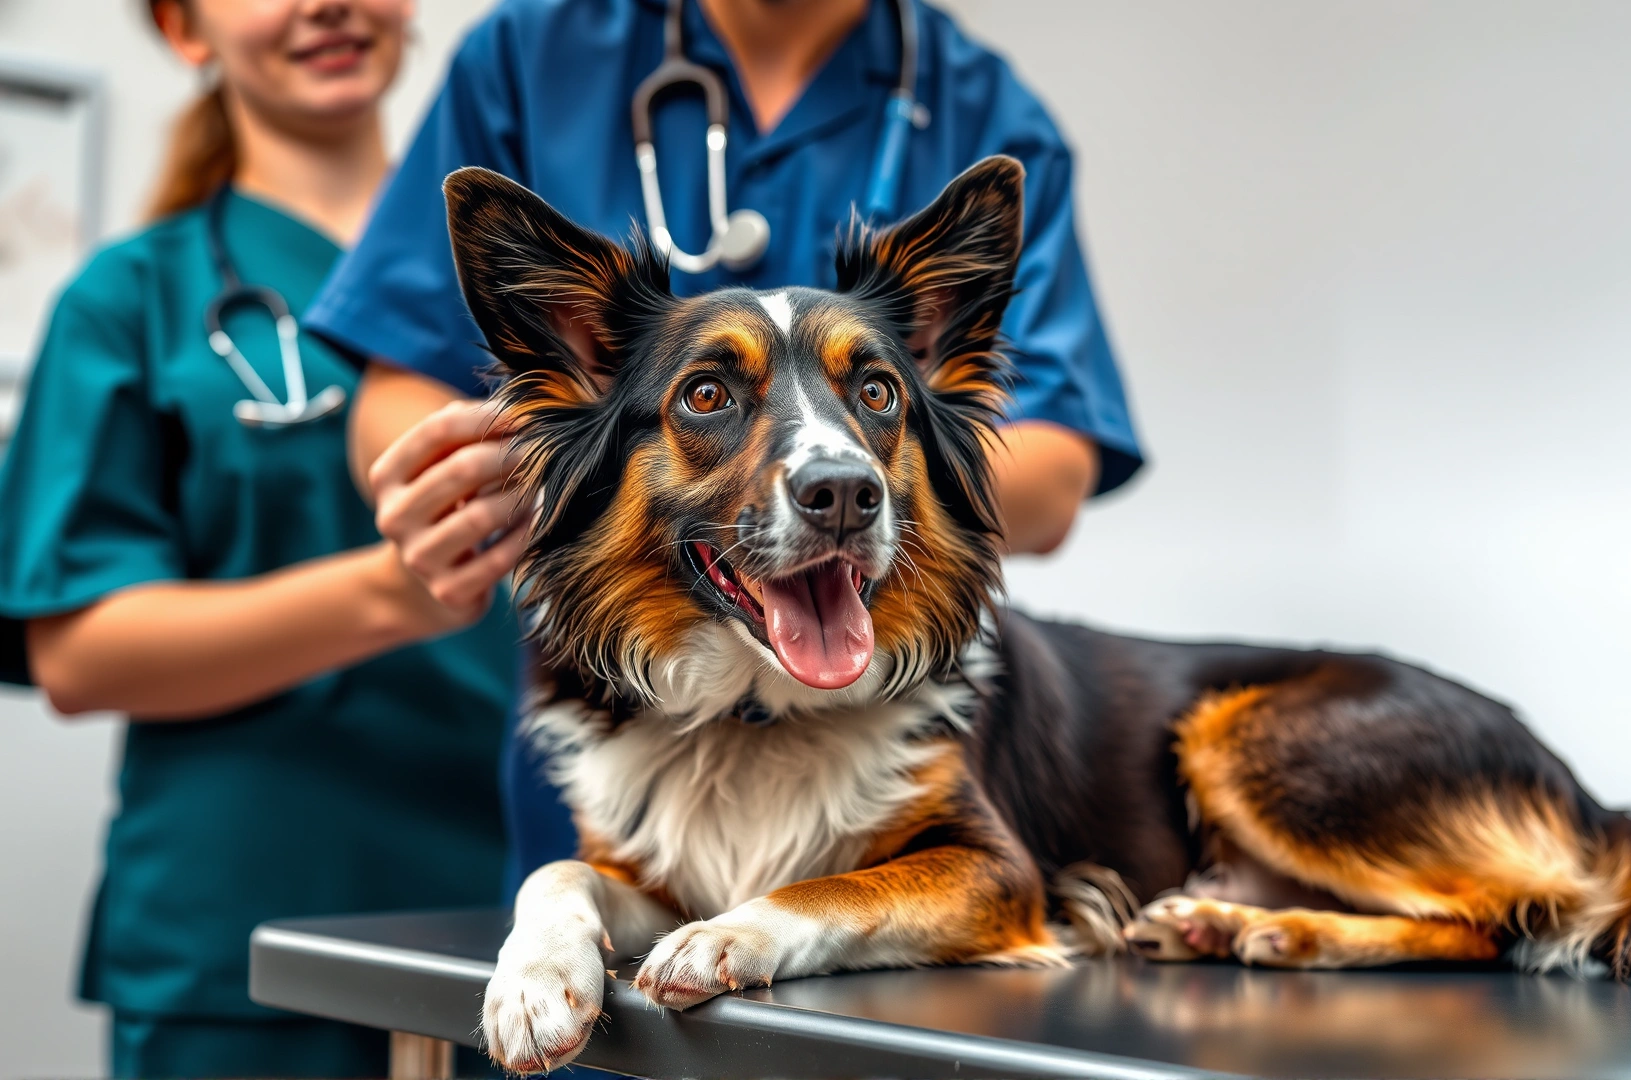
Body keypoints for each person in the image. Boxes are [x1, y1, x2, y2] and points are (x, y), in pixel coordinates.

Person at [309, 0, 1145, 889]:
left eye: (872, 391)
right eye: (709, 394)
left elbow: (1050, 472)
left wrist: (844, 490)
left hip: (880, 763)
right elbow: (398, 386)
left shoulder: (985, 107)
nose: (830, 467)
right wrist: (529, 475)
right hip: (631, 746)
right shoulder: (529, 54)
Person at [0, 1, 519, 1076]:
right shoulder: (130, 300)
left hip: (534, 926)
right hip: (249, 932)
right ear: (183, 28)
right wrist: (393, 594)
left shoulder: (527, 284)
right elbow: (79, 655)